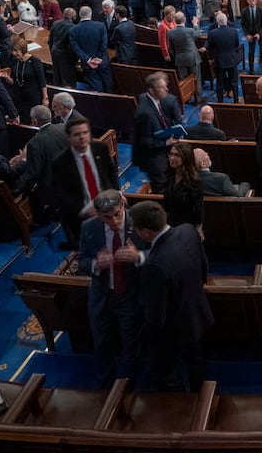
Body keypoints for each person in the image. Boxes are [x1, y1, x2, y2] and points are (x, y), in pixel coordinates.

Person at [129, 200, 212, 392]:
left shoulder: (154, 267)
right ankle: (199, 396)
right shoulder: (188, 230)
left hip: (173, 330)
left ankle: (178, 409)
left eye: (136, 230)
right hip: (197, 310)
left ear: (147, 232)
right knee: (196, 361)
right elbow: (203, 266)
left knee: (167, 375)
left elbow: (155, 317)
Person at [76, 191, 145, 385]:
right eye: (107, 217)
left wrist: (138, 257)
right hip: (102, 296)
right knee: (102, 343)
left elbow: (159, 253)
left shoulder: (140, 221)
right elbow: (82, 261)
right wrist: (96, 264)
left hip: (131, 295)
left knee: (131, 344)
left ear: (123, 206)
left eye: (117, 214)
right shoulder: (88, 227)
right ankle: (104, 387)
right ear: (97, 214)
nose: (114, 221)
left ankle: (130, 385)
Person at [49, 116, 118, 247]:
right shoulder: (60, 162)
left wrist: (116, 193)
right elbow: (60, 195)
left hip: (109, 206)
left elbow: (111, 172)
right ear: (68, 138)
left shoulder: (100, 148)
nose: (82, 137)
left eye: (85, 132)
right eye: (77, 134)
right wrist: (86, 209)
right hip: (83, 215)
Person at [132, 71, 183, 190]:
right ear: (151, 90)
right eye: (161, 87)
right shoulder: (145, 113)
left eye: (165, 86)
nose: (166, 89)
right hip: (154, 158)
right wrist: (165, 143)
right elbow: (144, 141)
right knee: (161, 187)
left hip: (160, 147)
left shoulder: (148, 97)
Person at [160, 141, 204, 231]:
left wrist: (199, 229)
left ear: (186, 157)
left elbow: (198, 207)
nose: (172, 158)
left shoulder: (194, 181)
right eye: (171, 154)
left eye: (177, 155)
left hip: (187, 227)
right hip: (169, 225)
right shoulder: (169, 177)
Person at [70, 6, 114, 92]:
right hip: (102, 61)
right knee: (108, 84)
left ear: (79, 15)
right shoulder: (101, 26)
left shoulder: (73, 30)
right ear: (91, 14)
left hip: (88, 64)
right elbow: (104, 44)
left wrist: (88, 60)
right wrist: (99, 58)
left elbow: (76, 48)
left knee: (96, 86)